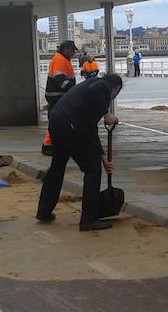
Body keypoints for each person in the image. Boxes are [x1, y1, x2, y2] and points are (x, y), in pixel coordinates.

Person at [36, 74, 122, 232]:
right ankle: (88, 219)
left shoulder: (88, 94)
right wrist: (106, 114)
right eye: (115, 94)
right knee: (92, 170)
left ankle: (44, 210)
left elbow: (91, 130)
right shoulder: (103, 85)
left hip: (58, 122)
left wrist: (103, 157)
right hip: (72, 125)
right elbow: (96, 91)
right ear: (115, 89)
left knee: (57, 167)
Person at [42, 40, 78, 155]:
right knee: (56, 121)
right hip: (57, 97)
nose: (73, 53)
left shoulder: (61, 59)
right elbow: (60, 78)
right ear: (66, 49)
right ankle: (49, 145)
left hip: (57, 96)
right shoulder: (60, 59)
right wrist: (71, 90)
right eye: (72, 50)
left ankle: (55, 144)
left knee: (58, 121)